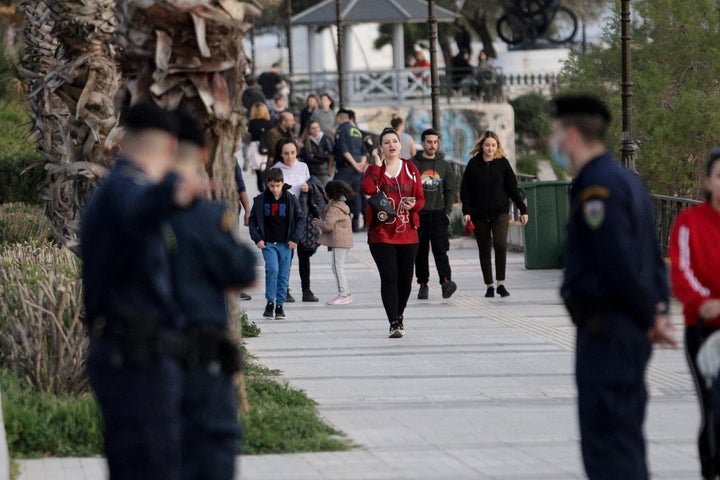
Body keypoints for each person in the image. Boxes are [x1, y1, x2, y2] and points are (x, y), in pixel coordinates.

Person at [549, 94, 676, 479]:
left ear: (571, 134)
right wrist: (659, 311)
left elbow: (617, 261)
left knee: (608, 446)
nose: (551, 143)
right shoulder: (626, 180)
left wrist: (647, 315)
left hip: (609, 330)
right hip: (625, 328)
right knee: (624, 437)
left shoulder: (596, 187)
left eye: (554, 133)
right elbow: (651, 256)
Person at [80, 100, 204, 480]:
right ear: (170, 148)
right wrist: (173, 191)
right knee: (153, 466)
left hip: (132, 357)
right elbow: (140, 210)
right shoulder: (127, 191)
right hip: (136, 361)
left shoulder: (113, 191)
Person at [169, 109, 257, 480]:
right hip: (200, 363)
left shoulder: (122, 208)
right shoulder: (203, 216)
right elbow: (244, 271)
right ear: (203, 156)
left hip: (143, 366)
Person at [669, 149, 720, 479]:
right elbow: (681, 272)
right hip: (704, 331)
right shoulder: (690, 222)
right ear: (708, 182)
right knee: (715, 408)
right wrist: (706, 302)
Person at [361, 127, 425, 338]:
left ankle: (400, 313)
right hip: (381, 234)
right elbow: (368, 189)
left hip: (408, 232)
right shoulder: (374, 170)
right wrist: (379, 166)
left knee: (405, 279)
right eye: (386, 142)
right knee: (389, 277)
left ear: (400, 145)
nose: (391, 145)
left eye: (394, 141)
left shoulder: (411, 169)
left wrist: (413, 206)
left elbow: (421, 198)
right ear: (381, 147)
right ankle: (393, 322)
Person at [460, 130, 528, 298]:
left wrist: (522, 209)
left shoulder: (502, 164)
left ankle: (500, 283)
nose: (490, 148)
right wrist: (466, 211)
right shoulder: (473, 164)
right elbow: (465, 189)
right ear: (481, 146)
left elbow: (513, 188)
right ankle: (489, 285)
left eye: (493, 145)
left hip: (500, 212)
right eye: (487, 145)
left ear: (497, 147)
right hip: (478, 213)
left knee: (500, 244)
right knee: (484, 249)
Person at [248, 167, 304, 320]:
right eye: (272, 186)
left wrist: (295, 238)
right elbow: (252, 221)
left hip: (286, 244)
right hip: (268, 244)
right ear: (267, 184)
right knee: (272, 269)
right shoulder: (260, 200)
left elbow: (300, 219)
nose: (275, 189)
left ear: (282, 183)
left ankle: (280, 306)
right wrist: (257, 239)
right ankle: (270, 302)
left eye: (278, 186)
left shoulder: (291, 199)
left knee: (283, 274)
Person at [411, 128, 457, 300]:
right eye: (429, 142)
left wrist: (447, 211)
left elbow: (451, 189)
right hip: (419, 214)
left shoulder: (444, 165)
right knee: (420, 252)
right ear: (422, 143)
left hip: (438, 214)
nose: (432, 145)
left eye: (435, 142)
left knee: (440, 250)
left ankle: (446, 282)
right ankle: (423, 284)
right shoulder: (413, 164)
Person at [271, 139, 318, 302]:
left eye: (292, 153)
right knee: (286, 255)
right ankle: (285, 290)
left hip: (302, 215)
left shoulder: (303, 167)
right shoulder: (276, 169)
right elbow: (272, 193)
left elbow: (310, 185)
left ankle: (307, 290)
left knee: (304, 254)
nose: (290, 156)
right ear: (281, 154)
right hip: (284, 217)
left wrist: (308, 187)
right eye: (286, 153)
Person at [317, 180, 355, 305]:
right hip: (344, 241)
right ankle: (346, 293)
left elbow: (328, 226)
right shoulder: (341, 204)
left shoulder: (334, 208)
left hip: (340, 241)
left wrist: (319, 224)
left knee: (337, 267)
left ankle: (344, 294)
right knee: (337, 267)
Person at [333, 108, 367, 232]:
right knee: (356, 195)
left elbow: (343, 150)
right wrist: (360, 165)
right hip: (358, 169)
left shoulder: (341, 130)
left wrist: (354, 164)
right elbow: (364, 151)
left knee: (340, 193)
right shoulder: (357, 130)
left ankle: (343, 221)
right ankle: (356, 221)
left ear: (339, 118)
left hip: (345, 168)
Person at [247, 102, 273, 192]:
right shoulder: (268, 123)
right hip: (265, 145)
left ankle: (261, 189)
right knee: (266, 168)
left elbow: (250, 132)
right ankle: (267, 187)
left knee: (258, 171)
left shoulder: (252, 123)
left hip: (255, 146)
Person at [300, 120, 333, 186]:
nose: (316, 130)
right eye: (313, 128)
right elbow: (308, 158)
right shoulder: (306, 141)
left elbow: (330, 155)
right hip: (311, 171)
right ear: (309, 130)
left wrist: (315, 155)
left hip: (324, 171)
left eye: (317, 127)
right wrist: (323, 157)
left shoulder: (325, 138)